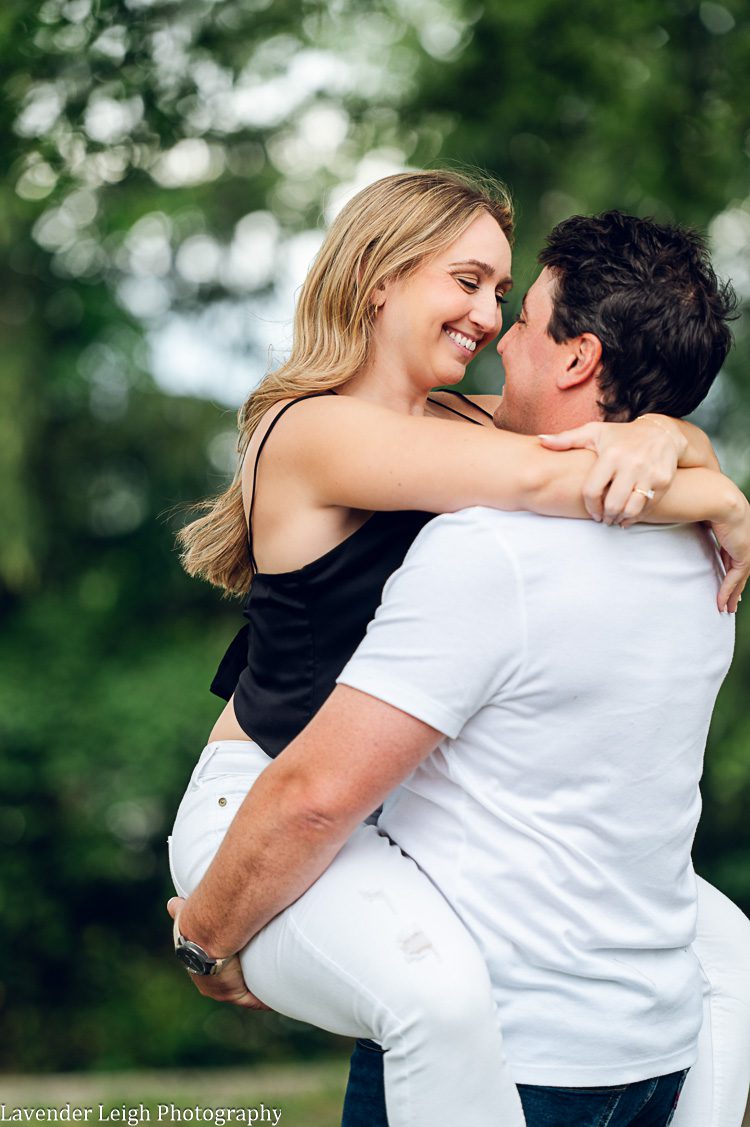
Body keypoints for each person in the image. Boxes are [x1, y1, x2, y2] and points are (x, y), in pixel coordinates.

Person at [168, 174, 750, 1127]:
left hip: (385, 804)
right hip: (266, 796)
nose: (488, 316)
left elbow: (578, 438)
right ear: (378, 278)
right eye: (469, 281)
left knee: (723, 952)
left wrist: (663, 431)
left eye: (503, 293)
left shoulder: (466, 418)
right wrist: (717, 492)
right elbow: (554, 474)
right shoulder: (312, 430)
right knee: (442, 1002)